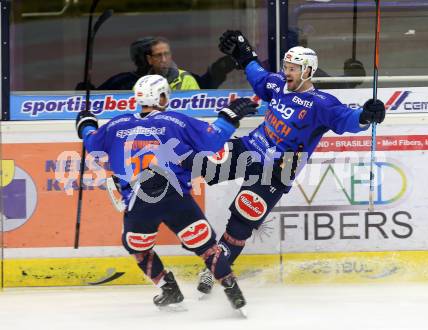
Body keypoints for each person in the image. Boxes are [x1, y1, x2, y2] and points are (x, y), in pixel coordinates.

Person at [183, 30, 386, 295]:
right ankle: (147, 190)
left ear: (308, 71)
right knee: (200, 163)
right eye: (286, 67)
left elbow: (347, 119)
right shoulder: (279, 83)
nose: (287, 72)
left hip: (281, 169)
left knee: (243, 218)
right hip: (251, 147)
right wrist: (245, 55)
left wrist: (366, 116)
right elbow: (260, 79)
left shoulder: (321, 104)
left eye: (293, 69)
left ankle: (213, 269)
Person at [75, 74, 258, 310]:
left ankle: (168, 288)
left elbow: (91, 143)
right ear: (160, 96)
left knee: (137, 247)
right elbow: (212, 140)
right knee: (205, 246)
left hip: (139, 203)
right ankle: (233, 290)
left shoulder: (115, 125)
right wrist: (229, 116)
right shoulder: (174, 121)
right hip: (175, 198)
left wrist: (86, 122)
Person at [97, 37, 236, 90]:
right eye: (158, 55)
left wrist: (220, 69)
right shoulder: (128, 82)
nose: (163, 59)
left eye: (166, 54)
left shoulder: (185, 79)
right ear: (149, 59)